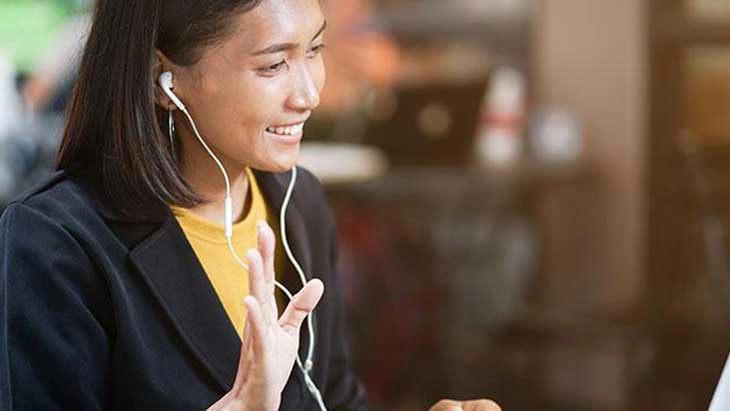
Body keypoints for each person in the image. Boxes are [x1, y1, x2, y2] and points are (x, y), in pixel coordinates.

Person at [0, 1, 500, 410]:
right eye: (273, 64)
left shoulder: (298, 202)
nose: (308, 94)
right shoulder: (56, 244)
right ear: (164, 81)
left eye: (315, 49)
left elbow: (337, 400)